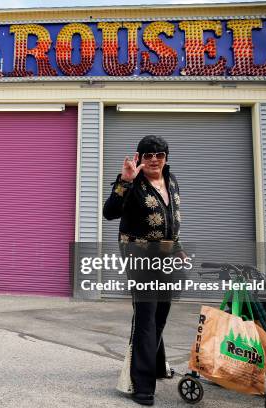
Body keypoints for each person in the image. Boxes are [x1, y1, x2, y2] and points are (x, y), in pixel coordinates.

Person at [103, 135, 184, 406]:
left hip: (166, 257)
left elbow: (172, 221)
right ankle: (142, 384)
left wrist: (178, 248)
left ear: (166, 158)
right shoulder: (132, 183)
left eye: (159, 155)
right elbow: (110, 212)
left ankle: (157, 365)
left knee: (161, 312)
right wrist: (124, 180)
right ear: (139, 158)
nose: (153, 160)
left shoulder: (171, 182)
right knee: (146, 316)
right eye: (147, 155)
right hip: (139, 257)